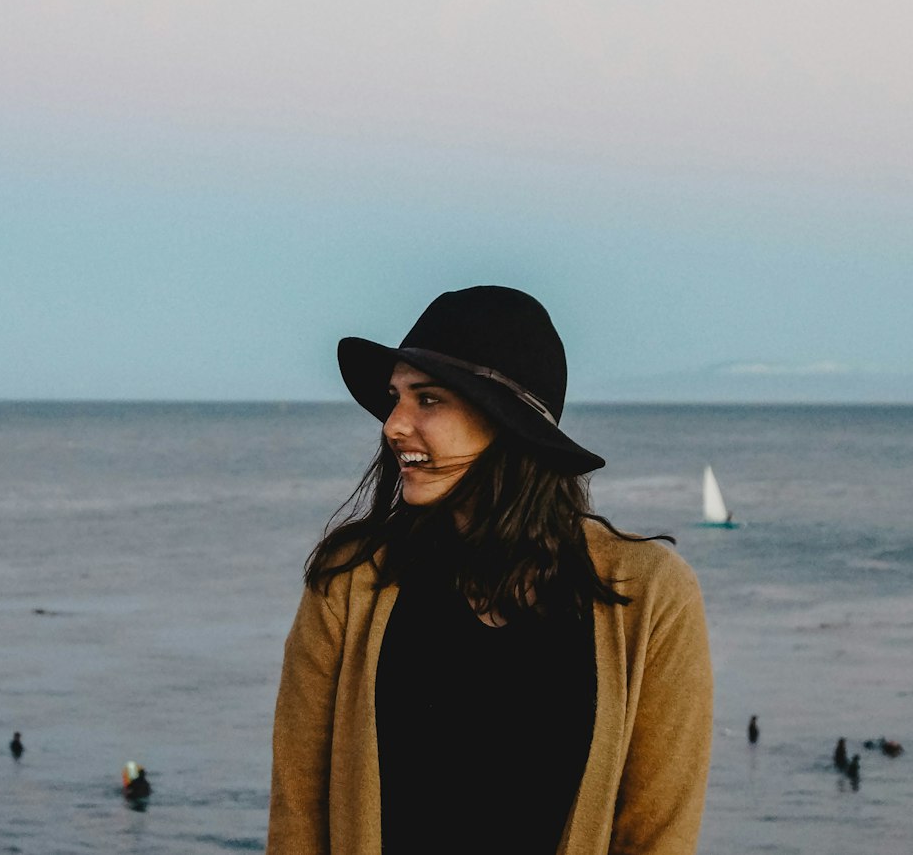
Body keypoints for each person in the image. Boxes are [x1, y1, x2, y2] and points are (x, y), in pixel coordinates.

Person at [267, 285, 713, 855]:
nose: (393, 424)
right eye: (394, 398)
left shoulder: (649, 593)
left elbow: (658, 833)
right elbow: (297, 815)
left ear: (507, 423)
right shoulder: (350, 580)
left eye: (427, 399)